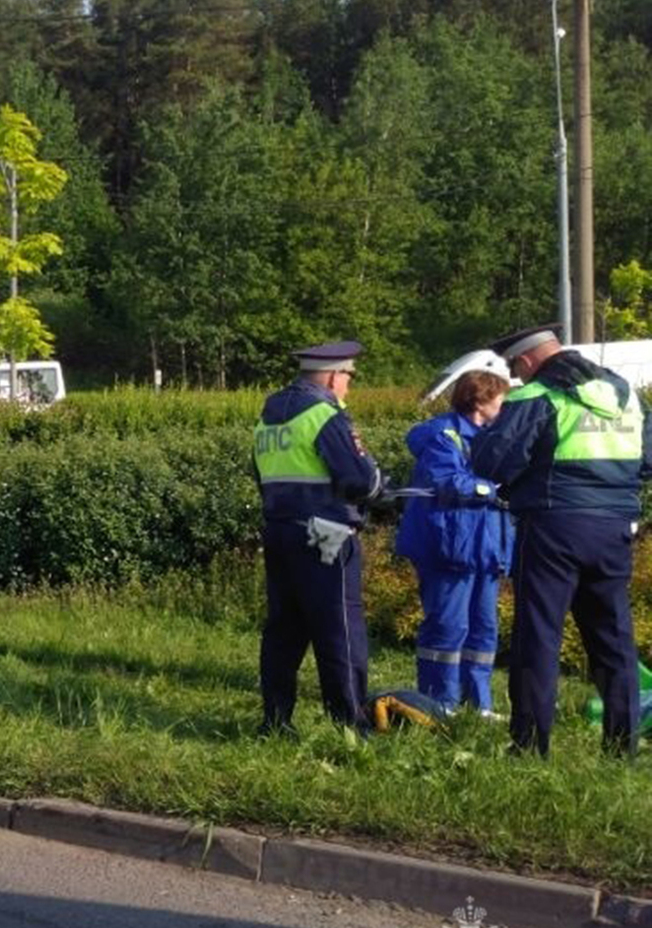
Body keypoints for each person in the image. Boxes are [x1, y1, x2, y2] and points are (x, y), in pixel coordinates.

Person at [471, 324, 650, 758]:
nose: (517, 376)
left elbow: (491, 461)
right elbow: (646, 460)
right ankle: (621, 747)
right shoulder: (624, 394)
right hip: (614, 529)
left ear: (528, 361)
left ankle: (530, 747)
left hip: (554, 526)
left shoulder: (535, 397)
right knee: (612, 639)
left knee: (539, 637)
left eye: (516, 368)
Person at [253, 340, 384, 734]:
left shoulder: (270, 417)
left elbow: (260, 476)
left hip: (279, 532)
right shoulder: (324, 415)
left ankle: (276, 721)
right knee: (340, 630)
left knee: (284, 632)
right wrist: (382, 488)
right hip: (325, 538)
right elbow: (362, 480)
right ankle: (349, 726)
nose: (348, 386)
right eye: (349, 377)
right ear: (332, 376)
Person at [394, 370, 514, 714]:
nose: (505, 409)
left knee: (483, 628)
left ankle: (479, 704)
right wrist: (493, 490)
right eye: (500, 400)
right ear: (479, 400)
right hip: (449, 546)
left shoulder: (495, 437)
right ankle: (438, 702)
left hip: (485, 548)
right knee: (448, 626)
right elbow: (448, 480)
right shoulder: (441, 435)